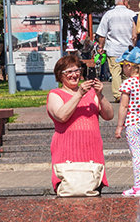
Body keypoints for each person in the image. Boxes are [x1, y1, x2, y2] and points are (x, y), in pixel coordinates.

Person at [47, 54, 113, 193]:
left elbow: (109, 115)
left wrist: (100, 95)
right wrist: (79, 94)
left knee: (94, 194)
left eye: (76, 70)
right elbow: (62, 116)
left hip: (91, 152)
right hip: (67, 153)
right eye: (69, 72)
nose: (74, 75)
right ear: (60, 75)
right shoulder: (55, 94)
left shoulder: (91, 94)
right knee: (69, 192)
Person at [113, 48, 140, 196]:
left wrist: (119, 126)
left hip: (133, 123)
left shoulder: (128, 84)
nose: (123, 68)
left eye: (123, 65)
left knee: (136, 155)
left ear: (129, 66)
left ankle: (138, 186)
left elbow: (124, 106)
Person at [96, 0, 136, 101]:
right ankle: (128, 92)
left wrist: (101, 46)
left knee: (116, 72)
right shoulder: (132, 14)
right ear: (124, 2)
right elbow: (136, 32)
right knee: (127, 72)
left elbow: (102, 33)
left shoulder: (109, 14)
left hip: (113, 49)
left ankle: (118, 95)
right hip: (128, 49)